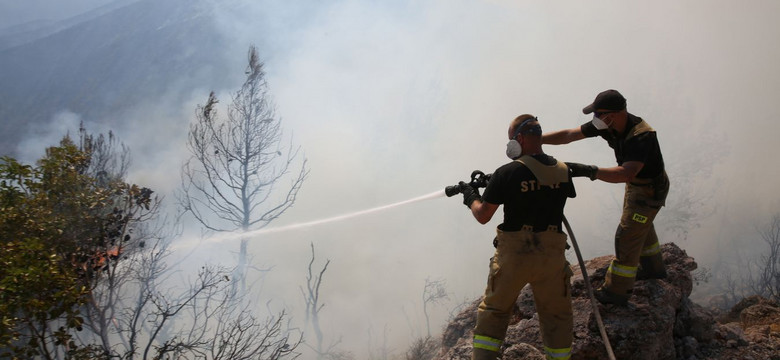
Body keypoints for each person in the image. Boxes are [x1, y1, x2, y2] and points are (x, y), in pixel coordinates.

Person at [458, 114, 575, 360]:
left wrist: (470, 195)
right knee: (557, 316)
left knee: (495, 312)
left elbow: (483, 215)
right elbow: (541, 187)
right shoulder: (563, 171)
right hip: (552, 258)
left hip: (515, 257)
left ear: (519, 138)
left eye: (511, 139)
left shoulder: (506, 173)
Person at [542, 89, 670, 306]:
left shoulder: (641, 136)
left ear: (615, 114)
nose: (595, 120)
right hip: (637, 186)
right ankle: (654, 269)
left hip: (649, 190)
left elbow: (625, 173)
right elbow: (569, 135)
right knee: (641, 224)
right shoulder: (608, 125)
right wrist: (536, 140)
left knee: (627, 236)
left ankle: (616, 293)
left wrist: (590, 170)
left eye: (599, 114)